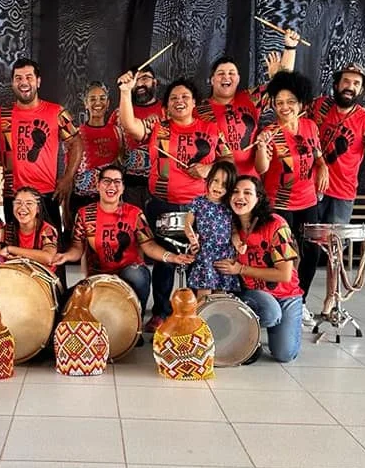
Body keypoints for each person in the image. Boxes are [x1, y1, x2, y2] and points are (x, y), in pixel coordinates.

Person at [117, 73, 232, 332]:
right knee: (165, 260)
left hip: (200, 207)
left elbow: (230, 161)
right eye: (174, 98)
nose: (179, 101)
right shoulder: (159, 127)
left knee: (197, 257)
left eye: (185, 97)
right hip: (164, 204)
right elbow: (131, 126)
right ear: (166, 105)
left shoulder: (211, 130)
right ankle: (161, 312)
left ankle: (193, 310)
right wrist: (126, 92)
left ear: (194, 103)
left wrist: (208, 167)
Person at [51, 165, 194, 314]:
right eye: (107, 181)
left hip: (129, 272)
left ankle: (136, 323)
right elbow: (77, 248)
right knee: (65, 303)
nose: (112, 185)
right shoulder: (85, 214)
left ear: (123, 188)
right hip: (99, 276)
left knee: (138, 274)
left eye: (117, 182)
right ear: (98, 185)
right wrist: (65, 256)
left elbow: (149, 245)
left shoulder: (134, 213)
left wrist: (172, 257)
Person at [253, 70, 328, 325]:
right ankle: (280, 302)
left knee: (312, 254)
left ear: (301, 104)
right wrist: (262, 147)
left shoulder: (310, 126)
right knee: (285, 256)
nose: (284, 107)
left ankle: (301, 301)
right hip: (279, 204)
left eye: (290, 102)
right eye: (279, 102)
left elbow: (317, 156)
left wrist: (323, 167)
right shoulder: (270, 131)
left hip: (308, 202)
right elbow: (262, 169)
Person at [214, 175, 303, 363]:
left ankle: (268, 327)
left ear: (258, 198)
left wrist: (241, 269)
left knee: (284, 354)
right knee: (271, 313)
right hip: (253, 292)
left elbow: (285, 274)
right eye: (236, 192)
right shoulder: (227, 225)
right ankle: (247, 335)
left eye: (248, 192)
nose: (240, 197)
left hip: (287, 294)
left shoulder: (276, 224)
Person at [0, 58, 83, 235]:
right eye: (18, 78)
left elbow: (76, 142)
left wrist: (67, 178)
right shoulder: (1, 114)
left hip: (47, 193)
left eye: (29, 77)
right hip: (13, 194)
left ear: (38, 81)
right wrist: (2, 159)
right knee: (15, 252)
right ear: (12, 83)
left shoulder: (56, 112)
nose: (24, 82)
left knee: (52, 253)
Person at [197, 30, 300, 175]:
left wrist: (290, 48)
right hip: (219, 182)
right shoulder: (199, 109)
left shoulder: (250, 98)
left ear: (238, 79)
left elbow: (283, 87)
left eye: (231, 73)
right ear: (212, 80)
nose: (227, 77)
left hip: (249, 182)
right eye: (221, 74)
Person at [311, 62, 365, 223]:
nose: (350, 87)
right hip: (310, 188)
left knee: (334, 244)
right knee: (307, 242)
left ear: (361, 90)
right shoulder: (319, 106)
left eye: (356, 83)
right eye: (346, 81)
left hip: (341, 194)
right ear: (336, 84)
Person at [184, 161, 241, 297]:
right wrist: (193, 239)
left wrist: (237, 243)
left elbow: (233, 231)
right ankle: (200, 319)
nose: (218, 187)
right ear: (208, 178)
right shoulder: (198, 202)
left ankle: (216, 319)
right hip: (205, 254)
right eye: (215, 180)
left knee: (220, 295)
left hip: (225, 255)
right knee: (204, 295)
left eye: (225, 184)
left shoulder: (229, 205)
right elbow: (187, 225)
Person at [112, 64, 163, 209]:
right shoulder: (118, 113)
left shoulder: (168, 110)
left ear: (155, 82)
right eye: (136, 79)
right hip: (130, 185)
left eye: (145, 78)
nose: (140, 84)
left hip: (162, 184)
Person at [72, 81, 123, 214]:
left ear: (108, 103)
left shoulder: (117, 132)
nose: (97, 103)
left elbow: (121, 167)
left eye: (102, 98)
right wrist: (66, 209)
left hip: (111, 202)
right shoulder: (76, 134)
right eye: (92, 99)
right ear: (85, 103)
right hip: (82, 201)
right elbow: (69, 174)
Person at [0, 186, 59, 269]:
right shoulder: (7, 229)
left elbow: (48, 257)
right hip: (14, 275)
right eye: (18, 203)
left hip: (42, 279)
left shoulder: (47, 230)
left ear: (38, 208)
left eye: (29, 203)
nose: (22, 207)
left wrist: (10, 249)